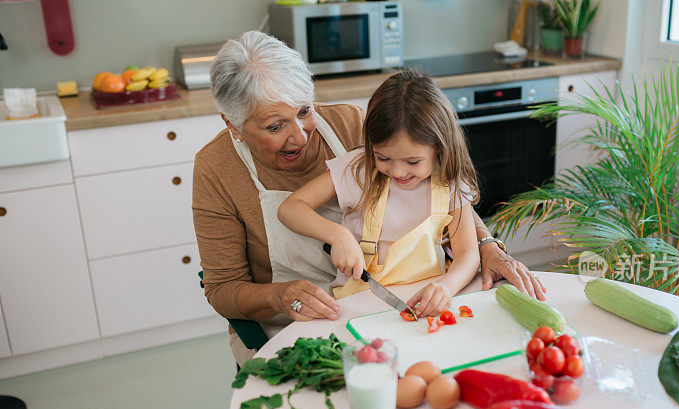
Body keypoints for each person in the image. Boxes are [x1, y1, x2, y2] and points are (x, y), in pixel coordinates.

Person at [192, 31, 547, 365]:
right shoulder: (215, 169)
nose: (299, 136)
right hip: (285, 326)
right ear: (233, 125)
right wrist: (278, 296)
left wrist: (486, 245)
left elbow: (439, 194)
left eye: (304, 111)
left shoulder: (351, 124)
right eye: (275, 126)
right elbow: (223, 289)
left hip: (382, 307)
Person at [279, 70, 480, 317]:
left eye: (413, 161)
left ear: (440, 148)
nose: (397, 171)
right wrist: (338, 236)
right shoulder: (358, 172)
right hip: (360, 306)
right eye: (383, 157)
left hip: (427, 301)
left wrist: (446, 288)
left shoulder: (449, 180)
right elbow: (290, 208)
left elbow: (468, 253)